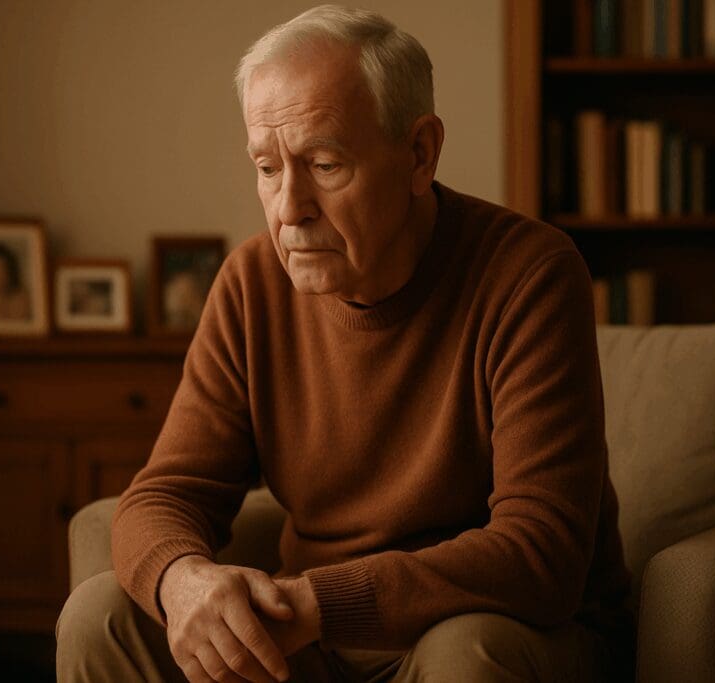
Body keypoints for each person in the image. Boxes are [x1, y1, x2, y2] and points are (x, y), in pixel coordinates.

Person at [56, 5, 633, 682]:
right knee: (100, 616)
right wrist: (183, 580)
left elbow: (542, 554)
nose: (288, 207)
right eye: (268, 168)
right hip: (313, 636)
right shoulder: (251, 285)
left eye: (324, 164)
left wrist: (320, 601)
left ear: (420, 154)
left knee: (465, 651)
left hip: (494, 630)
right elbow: (164, 494)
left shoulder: (529, 273)